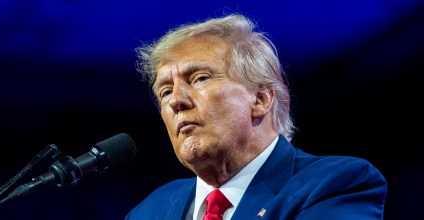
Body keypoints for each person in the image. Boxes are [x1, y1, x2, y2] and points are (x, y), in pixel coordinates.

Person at [125, 14, 387, 220]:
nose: (175, 101)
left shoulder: (332, 184)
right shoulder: (149, 211)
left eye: (200, 78)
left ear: (260, 100)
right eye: (165, 91)